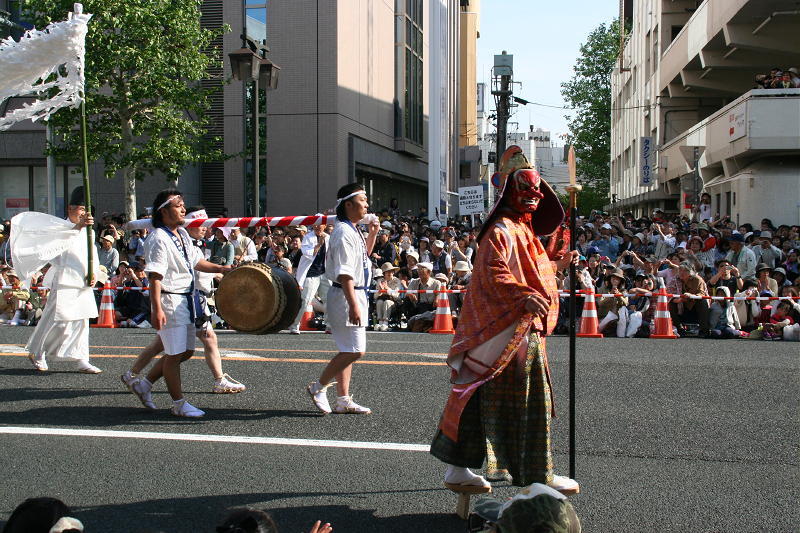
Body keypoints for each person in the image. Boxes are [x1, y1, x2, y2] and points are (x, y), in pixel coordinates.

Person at [429, 146, 579, 494]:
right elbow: (494, 272)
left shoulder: (524, 231)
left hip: (523, 329)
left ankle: (476, 469)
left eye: (538, 190)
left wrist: (557, 267)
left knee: (487, 396)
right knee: (503, 398)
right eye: (526, 189)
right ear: (511, 192)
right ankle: (528, 476)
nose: (534, 196)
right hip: (505, 329)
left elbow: (535, 271)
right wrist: (522, 295)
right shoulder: (501, 230)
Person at [121, 206, 245, 404]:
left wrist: (222, 268)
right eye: (199, 224)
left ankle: (139, 380)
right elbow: (155, 276)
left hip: (189, 300)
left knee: (181, 349)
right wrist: (157, 309)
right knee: (178, 349)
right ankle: (179, 401)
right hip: (174, 299)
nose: (205, 228)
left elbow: (198, 262)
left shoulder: (186, 240)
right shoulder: (161, 238)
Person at [11, 186, 103, 373]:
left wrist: (94, 273)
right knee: (56, 321)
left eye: (87, 210)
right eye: (81, 209)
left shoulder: (90, 232)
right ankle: (37, 352)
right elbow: (55, 248)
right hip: (64, 280)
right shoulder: (60, 227)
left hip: (83, 281)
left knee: (82, 321)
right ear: (70, 208)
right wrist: (77, 227)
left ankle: (82, 359)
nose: (85, 213)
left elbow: (92, 253)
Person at [306, 184, 378, 415]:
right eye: (363, 200)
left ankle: (343, 399)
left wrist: (373, 234)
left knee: (348, 348)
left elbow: (361, 259)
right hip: (348, 294)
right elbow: (346, 273)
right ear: (348, 204)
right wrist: (354, 304)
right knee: (355, 350)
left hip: (353, 292)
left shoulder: (351, 229)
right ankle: (318, 387)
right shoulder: (344, 231)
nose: (367, 204)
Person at [288, 220, 329, 334]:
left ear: (324, 226)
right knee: (305, 300)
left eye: (319, 224)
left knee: (329, 299)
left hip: (324, 272)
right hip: (311, 273)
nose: (316, 226)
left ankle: (329, 325)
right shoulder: (308, 237)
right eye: (315, 224)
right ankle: (295, 325)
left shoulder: (328, 237)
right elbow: (307, 253)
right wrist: (319, 244)